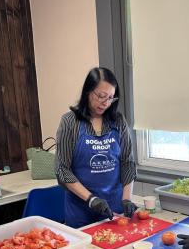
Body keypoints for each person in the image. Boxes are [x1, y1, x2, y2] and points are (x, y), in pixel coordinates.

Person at [55, 67, 137, 228]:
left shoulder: (118, 121)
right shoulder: (70, 122)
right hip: (81, 212)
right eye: (101, 96)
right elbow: (62, 170)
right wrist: (91, 199)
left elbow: (127, 162)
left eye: (110, 98)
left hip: (114, 211)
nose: (105, 103)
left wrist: (127, 198)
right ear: (88, 92)